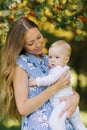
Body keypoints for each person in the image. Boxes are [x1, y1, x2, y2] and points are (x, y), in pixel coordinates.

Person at [0, 17, 80, 130]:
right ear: (21, 45)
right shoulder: (21, 65)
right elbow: (23, 109)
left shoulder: (49, 59)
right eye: (31, 43)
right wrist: (53, 89)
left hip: (63, 122)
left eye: (39, 37)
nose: (38, 44)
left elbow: (65, 87)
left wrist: (76, 97)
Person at [29, 40, 87, 130]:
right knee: (79, 125)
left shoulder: (58, 70)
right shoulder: (64, 69)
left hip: (62, 104)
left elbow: (50, 79)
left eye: (57, 57)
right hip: (69, 103)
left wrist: (37, 82)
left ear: (66, 59)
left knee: (55, 124)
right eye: (50, 57)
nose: (52, 60)